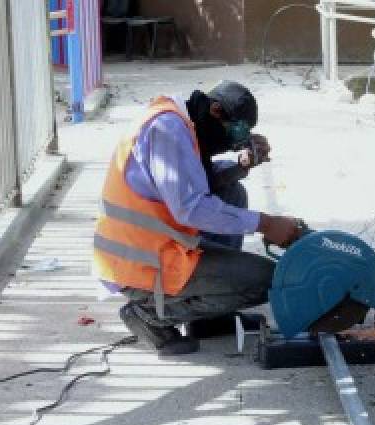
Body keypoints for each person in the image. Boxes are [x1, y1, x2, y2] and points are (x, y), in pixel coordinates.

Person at [93, 80, 305, 355]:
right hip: (141, 264)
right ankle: (150, 315)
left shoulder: (182, 121)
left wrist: (241, 165)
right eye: (235, 131)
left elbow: (194, 181)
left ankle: (207, 320)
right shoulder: (167, 129)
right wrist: (265, 223)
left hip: (161, 245)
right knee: (267, 280)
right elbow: (190, 207)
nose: (232, 140)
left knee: (232, 192)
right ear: (216, 111)